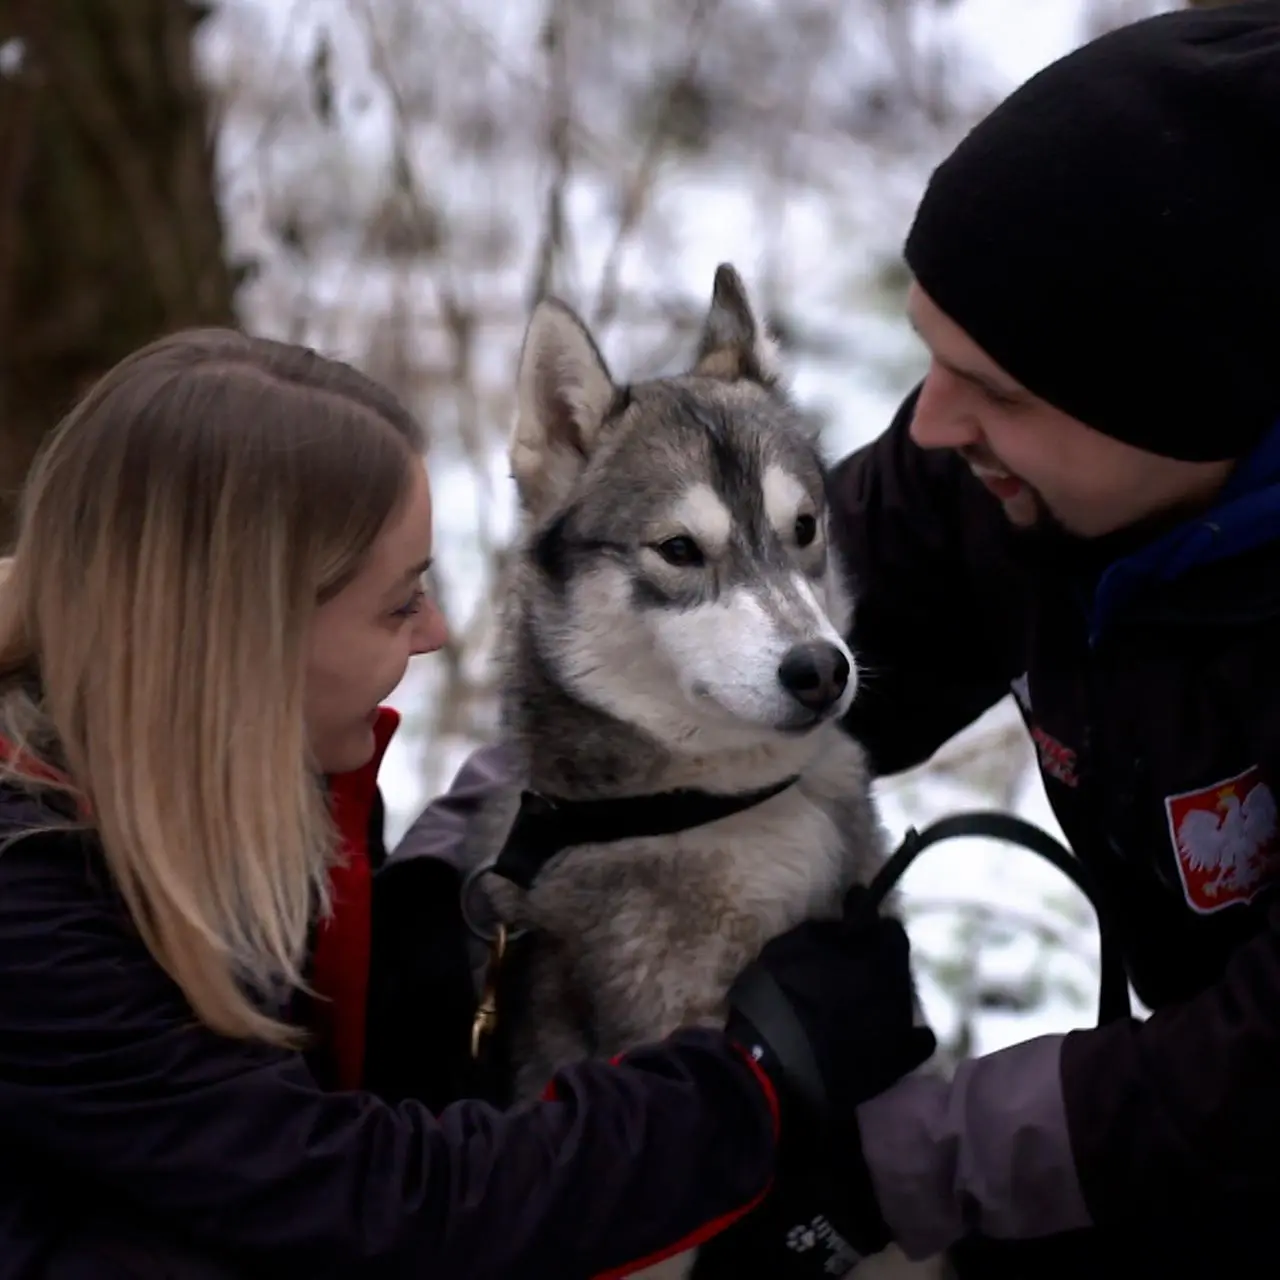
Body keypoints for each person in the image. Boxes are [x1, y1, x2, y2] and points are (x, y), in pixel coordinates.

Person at [406, 3, 1280, 1275]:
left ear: (1186, 401)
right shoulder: (999, 482)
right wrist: (452, 879)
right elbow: (670, 706)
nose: (927, 423)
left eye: (997, 388)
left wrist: (892, 1160)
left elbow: (1255, 1066)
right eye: (930, 352)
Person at [0, 329, 931, 1279]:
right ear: (241, 629)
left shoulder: (222, 762)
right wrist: (753, 1084)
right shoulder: (30, 911)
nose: (438, 633)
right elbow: (373, 1205)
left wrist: (435, 899)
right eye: (400, 604)